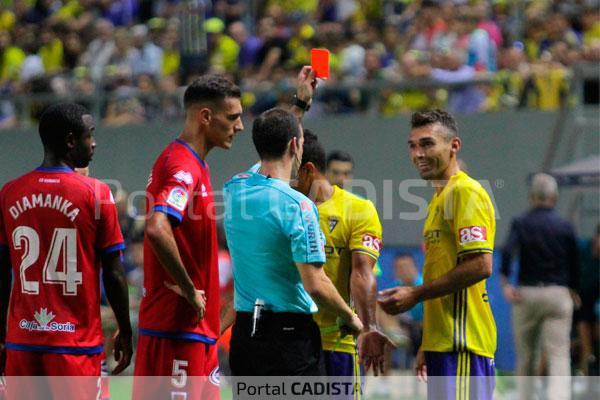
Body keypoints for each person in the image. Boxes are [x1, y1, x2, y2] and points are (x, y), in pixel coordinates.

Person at [0, 103, 132, 398]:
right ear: (71, 141)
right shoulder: (97, 194)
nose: (94, 142)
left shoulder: (9, 192)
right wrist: (125, 328)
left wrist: (1, 336)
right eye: (90, 135)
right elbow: (113, 271)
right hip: (75, 346)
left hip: (23, 342)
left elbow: (2, 272)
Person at [224, 105, 363, 378]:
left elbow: (269, 154)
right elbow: (316, 283)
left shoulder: (234, 189)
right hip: (288, 340)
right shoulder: (299, 206)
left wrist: (298, 106)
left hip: (244, 336)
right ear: (295, 145)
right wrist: (351, 317)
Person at [132, 75, 243, 399]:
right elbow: (157, 226)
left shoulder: (195, 165)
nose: (239, 127)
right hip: (176, 331)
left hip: (195, 332)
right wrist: (187, 288)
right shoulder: (183, 166)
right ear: (206, 116)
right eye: (233, 117)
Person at [378, 109, 496, 400]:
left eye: (428, 144)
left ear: (454, 146)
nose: (418, 153)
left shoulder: (465, 192)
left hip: (464, 344)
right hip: (443, 345)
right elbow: (444, 271)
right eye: (413, 146)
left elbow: (481, 265)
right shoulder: (438, 200)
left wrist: (415, 294)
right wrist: (427, 343)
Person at [295, 129, 393, 389]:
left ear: (307, 170)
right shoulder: (287, 209)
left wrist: (369, 325)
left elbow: (363, 275)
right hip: (291, 342)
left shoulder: (359, 210)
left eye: (290, 174)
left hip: (338, 342)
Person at [501, 173, 579, 400]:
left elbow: (507, 251)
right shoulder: (565, 225)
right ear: (554, 197)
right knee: (559, 353)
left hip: (527, 294)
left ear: (532, 197)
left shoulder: (521, 222)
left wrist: (506, 281)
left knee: (526, 355)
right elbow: (574, 260)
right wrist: (573, 288)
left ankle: (525, 396)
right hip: (558, 293)